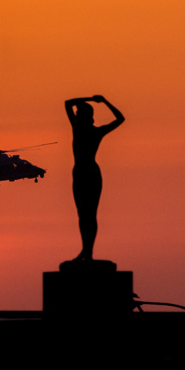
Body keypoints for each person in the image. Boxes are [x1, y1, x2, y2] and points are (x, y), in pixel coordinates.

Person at [64, 95, 124, 262]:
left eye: (78, 113)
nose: (75, 115)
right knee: (83, 214)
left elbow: (121, 119)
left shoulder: (84, 129)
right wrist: (101, 100)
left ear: (83, 115)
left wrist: (98, 99)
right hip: (82, 173)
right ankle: (86, 250)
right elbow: (68, 104)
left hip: (88, 173)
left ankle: (88, 252)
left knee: (89, 214)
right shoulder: (89, 130)